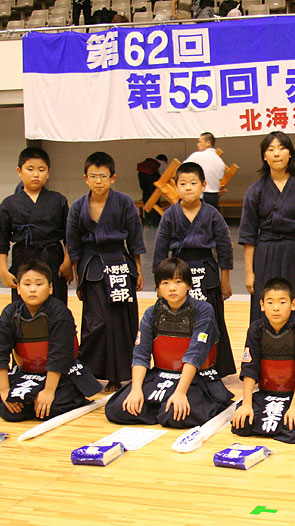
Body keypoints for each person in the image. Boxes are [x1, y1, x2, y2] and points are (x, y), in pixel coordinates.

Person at [105, 258, 235, 428]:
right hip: (162, 374)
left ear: (189, 285)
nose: (172, 288)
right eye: (165, 283)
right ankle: (160, 407)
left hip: (195, 376)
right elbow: (141, 355)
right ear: (158, 288)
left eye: (178, 282)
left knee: (175, 415)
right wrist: (136, 389)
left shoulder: (204, 310)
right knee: (118, 409)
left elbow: (195, 355)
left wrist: (181, 392)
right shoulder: (152, 312)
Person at [67, 151, 146, 392]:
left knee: (121, 321)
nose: (98, 181)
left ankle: (118, 375)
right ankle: (91, 372)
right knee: (97, 322)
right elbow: (73, 245)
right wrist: (78, 279)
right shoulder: (78, 207)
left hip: (119, 264)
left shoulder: (124, 203)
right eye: (93, 176)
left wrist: (138, 270)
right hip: (91, 266)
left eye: (103, 176)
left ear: (113, 178)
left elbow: (135, 239)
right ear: (85, 178)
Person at [0, 261, 102, 422]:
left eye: (39, 284)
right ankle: (32, 402)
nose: (33, 289)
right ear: (18, 289)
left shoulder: (59, 312)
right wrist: (5, 390)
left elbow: (60, 355)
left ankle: (45, 400)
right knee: (8, 410)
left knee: (51, 408)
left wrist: (49, 391)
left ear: (50, 288)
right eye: (27, 284)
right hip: (27, 372)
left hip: (63, 373)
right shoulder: (10, 313)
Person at [152, 162, 235, 377]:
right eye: (183, 183)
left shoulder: (212, 213)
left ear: (203, 185)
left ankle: (214, 366)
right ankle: (179, 363)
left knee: (212, 318)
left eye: (193, 183)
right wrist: (160, 284)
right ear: (176, 187)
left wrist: (225, 279)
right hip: (177, 272)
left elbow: (224, 247)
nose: (188, 188)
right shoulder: (170, 215)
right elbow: (160, 249)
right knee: (180, 319)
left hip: (206, 271)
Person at [231, 277, 295, 443]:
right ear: (262, 305)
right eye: (270, 302)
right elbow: (249, 368)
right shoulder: (256, 329)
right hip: (267, 392)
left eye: (282, 302)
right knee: (243, 424)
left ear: (293, 304)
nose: (276, 308)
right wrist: (246, 404)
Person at [239, 131, 295, 332]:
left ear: (290, 154)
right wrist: (249, 272)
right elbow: (248, 234)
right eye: (271, 149)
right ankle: (263, 348)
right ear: (264, 156)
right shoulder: (255, 189)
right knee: (266, 303)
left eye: (281, 148)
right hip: (265, 253)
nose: (276, 153)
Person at [0, 147, 73, 305]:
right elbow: (0, 239)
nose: (36, 174)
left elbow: (70, 235)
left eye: (41, 170)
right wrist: (3, 271)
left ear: (48, 172)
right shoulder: (8, 204)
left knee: (56, 304)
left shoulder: (58, 201)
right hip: (23, 259)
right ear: (19, 171)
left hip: (52, 259)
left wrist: (68, 263)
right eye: (30, 169)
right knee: (23, 306)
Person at [184, 132, 225, 210]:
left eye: (200, 142)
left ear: (208, 143)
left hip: (200, 195)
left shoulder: (197, 156)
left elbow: (182, 169)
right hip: (214, 196)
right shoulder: (220, 161)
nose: (198, 144)